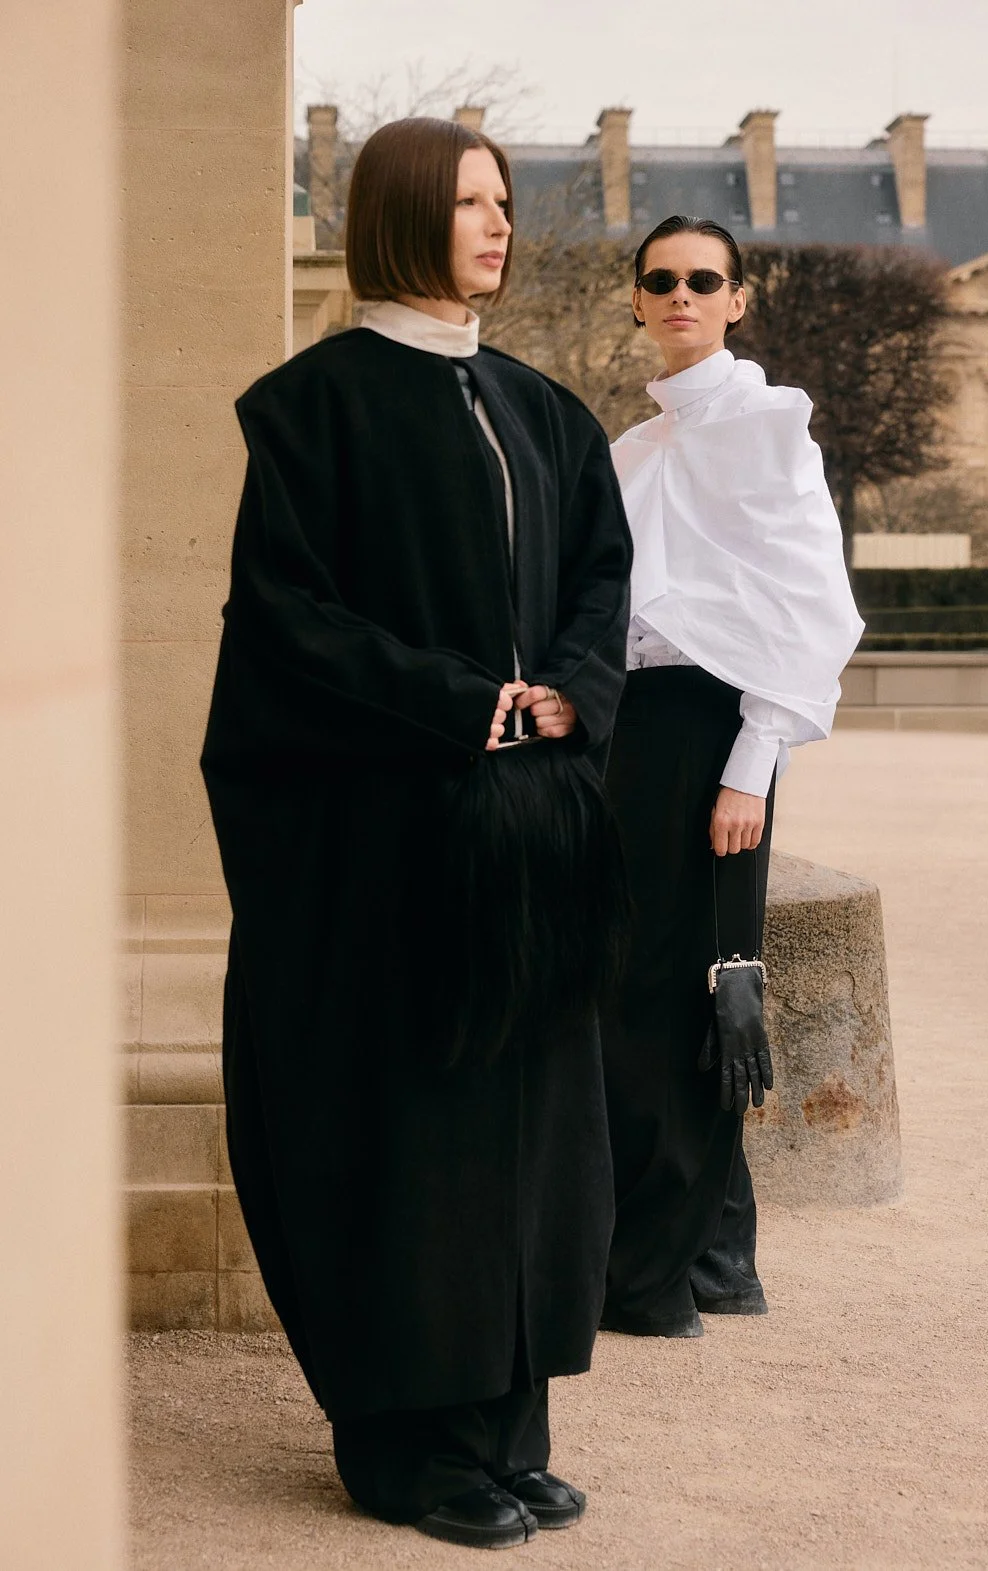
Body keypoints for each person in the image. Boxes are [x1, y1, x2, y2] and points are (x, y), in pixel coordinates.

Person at [200, 117, 633, 1549]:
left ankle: (508, 1427)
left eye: (504, 200)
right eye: (466, 203)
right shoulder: (311, 411)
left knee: (534, 1136)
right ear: (398, 216)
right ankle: (406, 1448)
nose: (497, 225)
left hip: (529, 847)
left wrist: (568, 695)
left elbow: (598, 583)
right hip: (394, 847)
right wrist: (468, 708)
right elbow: (292, 624)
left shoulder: (546, 410)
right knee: (419, 1143)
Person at [599, 216, 863, 1338]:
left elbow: (810, 609)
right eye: (660, 281)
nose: (680, 296)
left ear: (738, 298)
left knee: (706, 990)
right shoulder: (633, 449)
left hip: (719, 730)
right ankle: (717, 1256)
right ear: (637, 300)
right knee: (649, 984)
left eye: (703, 280)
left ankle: (659, 1279)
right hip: (632, 729)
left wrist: (750, 766)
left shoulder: (767, 425)